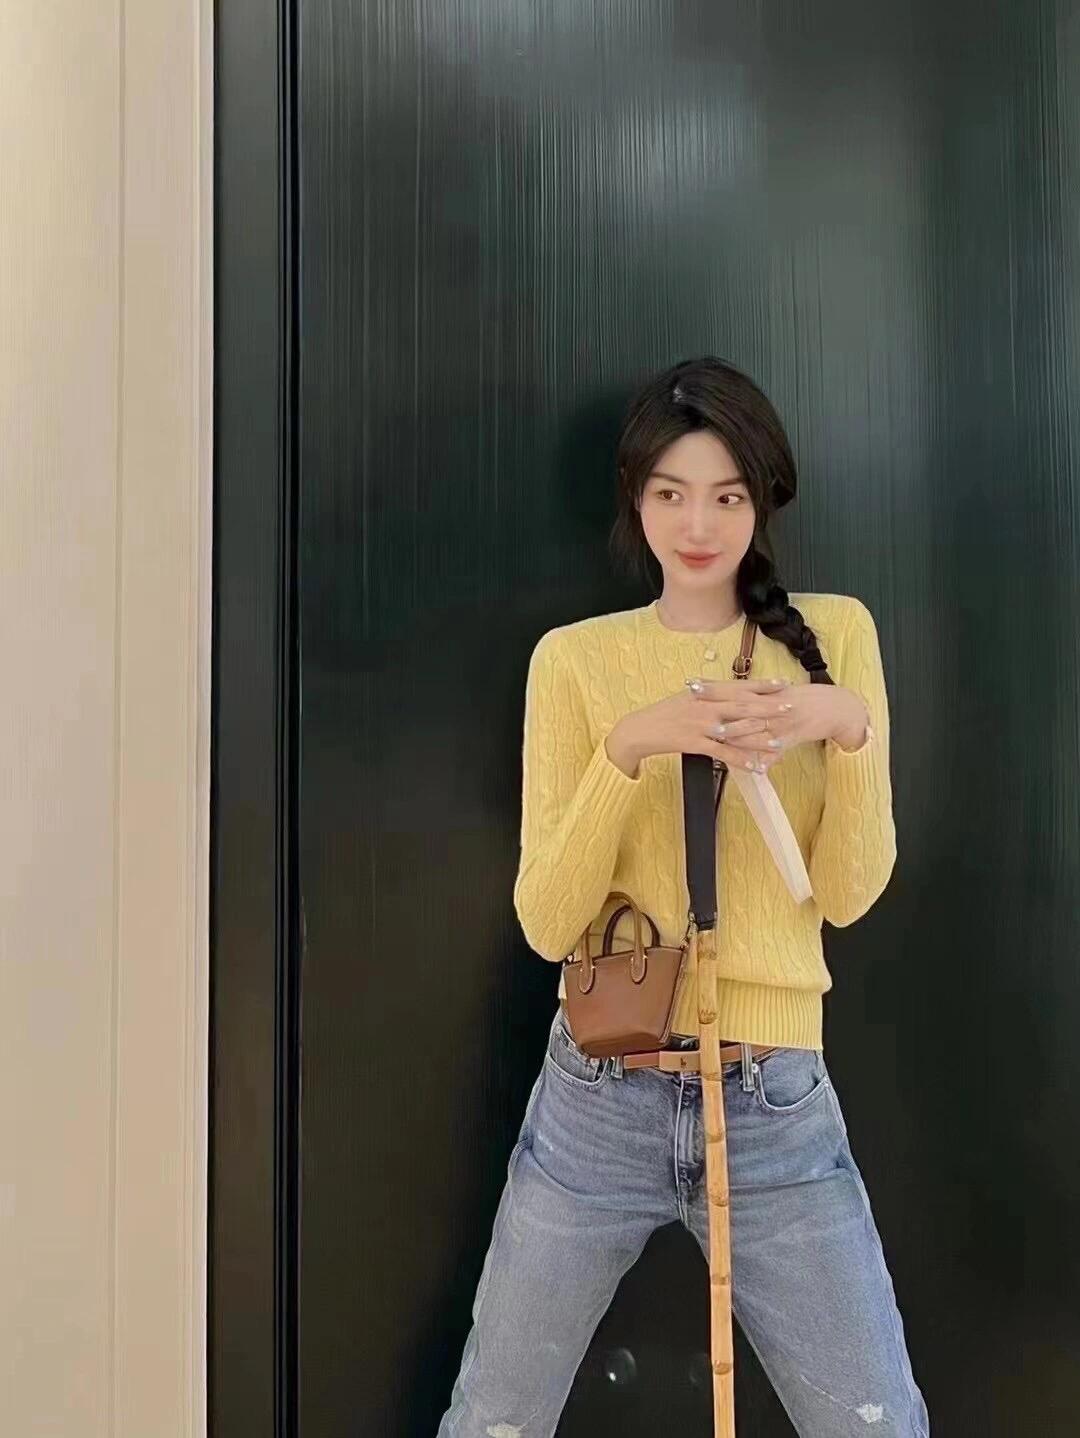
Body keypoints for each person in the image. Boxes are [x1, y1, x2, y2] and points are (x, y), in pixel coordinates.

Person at [436, 357, 930, 1437]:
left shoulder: (834, 639)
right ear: (636, 497)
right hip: (597, 1096)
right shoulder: (575, 663)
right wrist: (631, 746)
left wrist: (845, 728)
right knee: (492, 1418)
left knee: (876, 1421)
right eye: (670, 493)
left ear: (763, 500)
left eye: (726, 496)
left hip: (773, 1096)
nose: (698, 525)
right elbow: (547, 921)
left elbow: (847, 896)